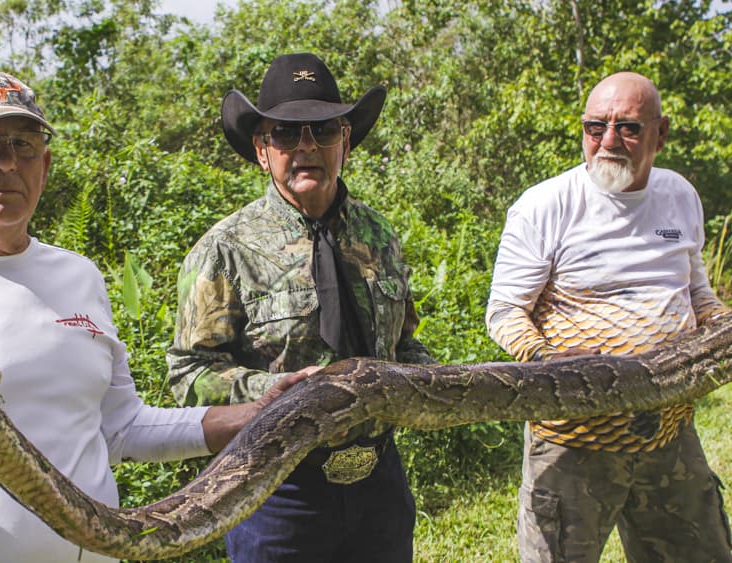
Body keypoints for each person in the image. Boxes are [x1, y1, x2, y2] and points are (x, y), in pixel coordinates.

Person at [0, 69, 303, 563]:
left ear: (43, 167)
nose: (3, 164)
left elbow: (120, 427)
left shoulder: (78, 276)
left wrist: (255, 415)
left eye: (23, 145)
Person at [166, 53, 434, 563]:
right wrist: (273, 391)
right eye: (286, 134)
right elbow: (189, 371)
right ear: (262, 150)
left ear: (345, 142)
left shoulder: (378, 235)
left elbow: (402, 343)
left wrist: (441, 383)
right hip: (275, 488)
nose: (306, 146)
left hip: (379, 482)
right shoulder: (226, 249)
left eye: (322, 130)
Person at [486, 71, 732, 562]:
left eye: (629, 128)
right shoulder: (545, 206)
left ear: (661, 134)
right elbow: (505, 310)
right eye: (595, 127)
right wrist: (547, 357)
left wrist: (719, 322)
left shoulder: (679, 195)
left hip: (668, 433)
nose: (609, 141)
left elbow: (695, 285)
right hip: (572, 442)